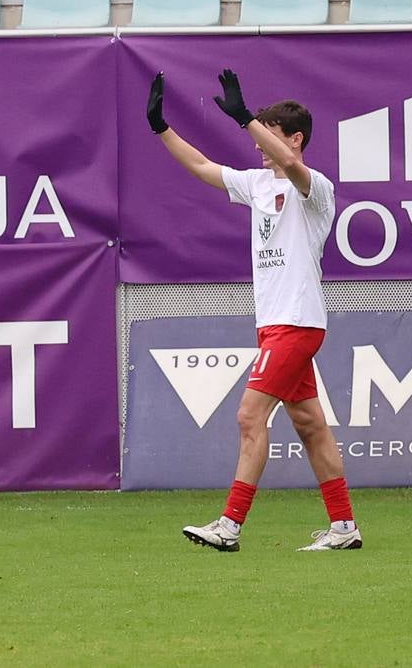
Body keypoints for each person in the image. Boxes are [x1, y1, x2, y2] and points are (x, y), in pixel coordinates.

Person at [145, 69, 362, 553]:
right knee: (310, 425)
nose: (259, 146)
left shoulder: (316, 189)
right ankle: (344, 527)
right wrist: (161, 128)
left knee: (249, 417)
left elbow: (289, 162)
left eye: (270, 134)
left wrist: (244, 117)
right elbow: (202, 165)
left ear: (295, 138)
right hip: (275, 325)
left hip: (297, 322)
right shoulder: (257, 184)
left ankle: (230, 526)